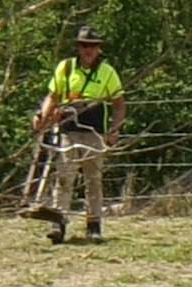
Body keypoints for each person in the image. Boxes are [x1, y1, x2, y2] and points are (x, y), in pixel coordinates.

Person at [31, 27, 124, 243]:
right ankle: (58, 224)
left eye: (92, 45)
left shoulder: (107, 72)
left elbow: (119, 105)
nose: (88, 50)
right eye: (84, 45)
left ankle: (94, 226)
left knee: (93, 180)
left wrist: (115, 129)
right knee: (64, 178)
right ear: (78, 47)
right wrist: (41, 118)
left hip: (94, 133)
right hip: (68, 130)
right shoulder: (65, 68)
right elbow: (53, 97)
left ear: (99, 48)